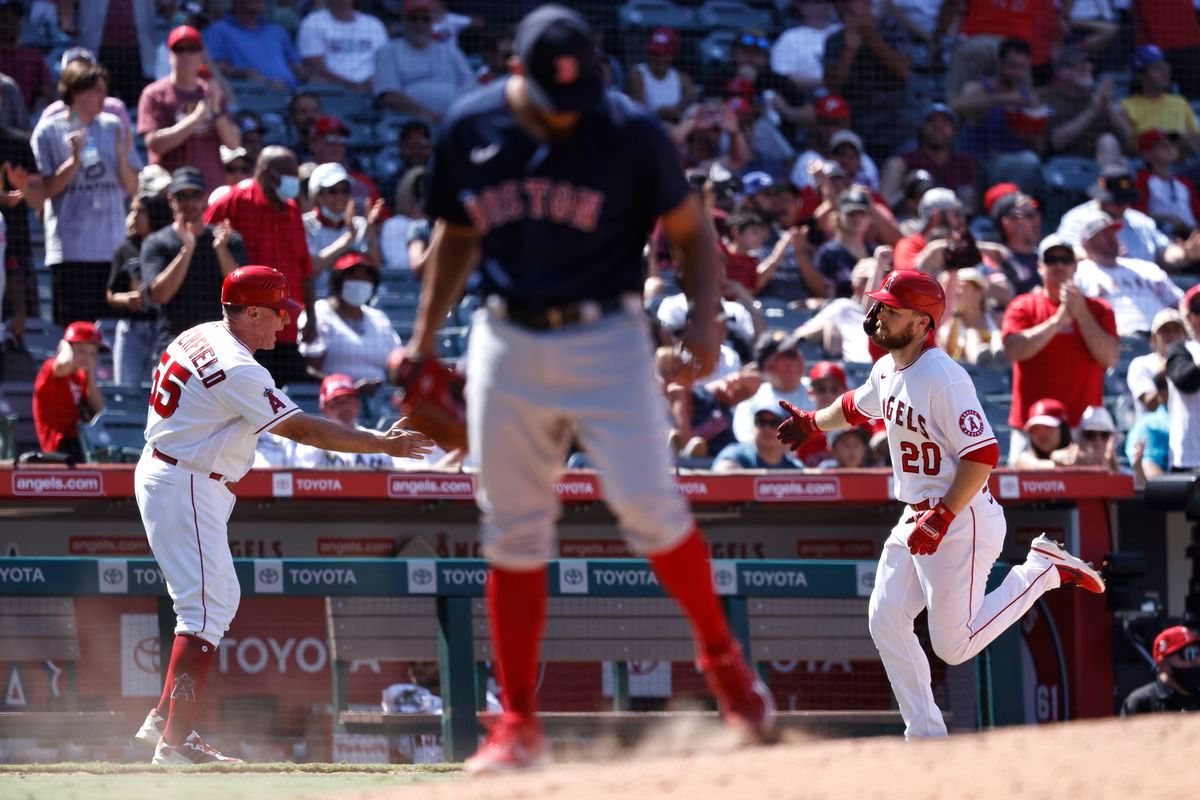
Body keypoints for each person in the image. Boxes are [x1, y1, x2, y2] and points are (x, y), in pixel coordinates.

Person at [405, 5, 778, 772]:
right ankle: (517, 724)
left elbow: (692, 230)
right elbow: (456, 235)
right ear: (519, 74)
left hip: (609, 336)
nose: (569, 113)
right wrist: (419, 338)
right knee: (513, 528)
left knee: (651, 509)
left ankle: (728, 671)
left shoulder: (629, 129)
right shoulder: (471, 127)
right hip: (507, 336)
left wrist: (706, 318)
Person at [774, 268, 1105, 740]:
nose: (880, 314)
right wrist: (813, 422)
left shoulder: (943, 376)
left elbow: (984, 455)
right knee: (885, 617)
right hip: (919, 514)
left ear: (922, 321)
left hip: (960, 515)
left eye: (893, 308)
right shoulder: (887, 367)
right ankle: (926, 734)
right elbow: (854, 406)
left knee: (953, 645)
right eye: (880, 305)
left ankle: (1041, 572)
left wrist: (945, 515)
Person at [131, 265, 432, 765]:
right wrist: (382, 442)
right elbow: (307, 432)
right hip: (185, 480)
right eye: (276, 314)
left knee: (218, 601)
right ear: (249, 312)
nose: (283, 325)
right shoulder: (238, 366)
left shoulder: (202, 333)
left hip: (181, 474)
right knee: (204, 612)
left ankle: (166, 719)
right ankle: (176, 742)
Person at [32, 59, 140, 326]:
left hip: (113, 250)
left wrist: (122, 156)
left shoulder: (114, 125)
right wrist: (74, 161)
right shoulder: (48, 130)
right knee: (74, 332)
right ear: (77, 92)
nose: (104, 97)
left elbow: (134, 187)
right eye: (97, 91)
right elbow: (42, 193)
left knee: (113, 332)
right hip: (71, 252)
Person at [1000, 234, 1119, 464]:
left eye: (1065, 259)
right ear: (1040, 266)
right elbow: (1013, 351)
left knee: (1085, 497)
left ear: (1075, 266)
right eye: (1051, 259)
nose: (1059, 265)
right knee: (1025, 496)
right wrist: (1057, 321)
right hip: (1033, 428)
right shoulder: (1023, 305)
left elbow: (1109, 357)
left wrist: (1081, 314)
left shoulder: (1099, 309)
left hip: (1082, 430)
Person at [204, 146, 314, 385]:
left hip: (284, 328)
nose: (293, 181)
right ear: (265, 174)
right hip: (247, 329)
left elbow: (305, 267)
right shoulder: (235, 200)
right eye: (287, 174)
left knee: (288, 394)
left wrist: (312, 318)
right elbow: (204, 246)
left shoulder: (293, 210)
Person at [138, 25, 241, 195]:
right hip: (169, 192)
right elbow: (155, 145)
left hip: (209, 189)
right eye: (180, 49)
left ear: (201, 55)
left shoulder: (212, 92)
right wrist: (195, 119)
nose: (186, 55)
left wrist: (216, 111)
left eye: (192, 49)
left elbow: (233, 143)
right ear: (170, 55)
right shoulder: (154, 94)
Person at [950, 38, 1045, 191]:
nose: (1017, 73)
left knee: (1032, 163)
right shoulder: (977, 89)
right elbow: (955, 106)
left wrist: (1033, 129)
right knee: (1029, 162)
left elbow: (1038, 147)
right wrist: (1003, 99)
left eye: (1022, 68)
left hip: (1015, 162)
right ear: (1000, 63)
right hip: (981, 161)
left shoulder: (1029, 100)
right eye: (1012, 66)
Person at [298, 252, 400, 394]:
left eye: (366, 278)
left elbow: (395, 366)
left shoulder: (379, 317)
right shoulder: (319, 312)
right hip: (332, 402)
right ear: (338, 280)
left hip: (380, 402)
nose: (360, 282)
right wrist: (347, 388)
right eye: (353, 276)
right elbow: (308, 368)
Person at [822, 0, 910, 159]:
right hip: (854, 124)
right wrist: (850, 49)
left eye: (852, 2)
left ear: (867, 3)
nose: (846, 7)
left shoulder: (892, 29)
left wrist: (869, 36)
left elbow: (903, 70)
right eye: (840, 4)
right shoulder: (834, 40)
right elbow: (832, 87)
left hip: (893, 122)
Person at [1074, 210, 1184, 337]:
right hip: (1117, 342)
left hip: (1161, 337)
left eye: (1112, 232)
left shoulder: (1146, 268)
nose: (1112, 237)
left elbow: (1180, 303)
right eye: (1104, 234)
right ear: (1087, 243)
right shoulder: (1079, 274)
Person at [1057, 168, 1190, 268]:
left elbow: (1164, 251)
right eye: (1117, 202)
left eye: (1126, 201)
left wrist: (1185, 254)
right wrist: (1100, 255)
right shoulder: (1076, 218)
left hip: (1142, 287)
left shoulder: (1141, 221)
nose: (1122, 206)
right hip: (1096, 287)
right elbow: (1063, 253)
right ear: (1101, 198)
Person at [107, 191, 172, 385]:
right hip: (131, 328)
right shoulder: (125, 249)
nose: (134, 216)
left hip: (161, 328)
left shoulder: (168, 247)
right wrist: (126, 299)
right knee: (125, 390)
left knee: (158, 390)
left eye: (141, 211)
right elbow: (111, 294)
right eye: (132, 210)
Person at [373, 0, 474, 124]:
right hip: (409, 125)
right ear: (403, 21)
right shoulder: (388, 51)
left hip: (452, 123)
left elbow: (471, 88)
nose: (420, 24)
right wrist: (429, 116)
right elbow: (389, 95)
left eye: (425, 19)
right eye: (414, 19)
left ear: (432, 22)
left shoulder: (450, 51)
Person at [879, 103, 977, 214]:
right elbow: (885, 206)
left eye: (944, 123)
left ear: (954, 130)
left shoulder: (963, 164)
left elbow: (969, 207)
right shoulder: (904, 162)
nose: (938, 127)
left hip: (953, 222)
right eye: (931, 122)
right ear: (921, 128)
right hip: (911, 222)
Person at [303, 161, 383, 297]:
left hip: (354, 302)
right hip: (316, 301)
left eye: (345, 191)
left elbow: (376, 268)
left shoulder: (362, 224)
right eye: (333, 191)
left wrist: (370, 235)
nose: (340, 197)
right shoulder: (304, 224)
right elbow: (311, 269)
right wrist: (348, 239)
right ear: (318, 195)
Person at [1038, 47, 1131, 161]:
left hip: (1102, 163)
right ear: (1062, 72)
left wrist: (1107, 105)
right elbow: (1056, 142)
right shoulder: (1047, 98)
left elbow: (1128, 138)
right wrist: (1093, 110)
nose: (1087, 67)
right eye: (1080, 65)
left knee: (1107, 141)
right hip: (1067, 166)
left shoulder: (1102, 97)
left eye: (1089, 64)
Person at [32, 321, 106, 462]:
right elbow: (65, 364)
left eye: (92, 353)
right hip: (57, 447)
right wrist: (65, 345)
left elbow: (99, 409)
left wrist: (90, 373)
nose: (87, 357)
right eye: (81, 350)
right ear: (68, 349)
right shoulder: (50, 368)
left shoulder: (82, 376)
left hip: (78, 443)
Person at [204, 0, 307, 91]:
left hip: (294, 95)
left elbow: (296, 66)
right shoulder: (218, 30)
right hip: (252, 97)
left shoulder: (277, 31)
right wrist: (247, 74)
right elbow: (215, 68)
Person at [732, 331, 814, 444]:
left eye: (798, 350)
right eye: (790, 354)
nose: (799, 356)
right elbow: (746, 441)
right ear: (768, 365)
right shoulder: (752, 399)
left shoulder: (822, 389)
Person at [1120, 45, 1200, 155]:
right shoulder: (1126, 106)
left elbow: (1196, 140)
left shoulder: (1180, 102)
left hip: (1185, 164)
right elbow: (1133, 146)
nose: (1165, 72)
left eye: (1166, 65)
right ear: (1140, 75)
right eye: (1156, 68)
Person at [789, 95, 880, 191]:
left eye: (836, 123)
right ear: (816, 125)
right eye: (825, 123)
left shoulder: (864, 162)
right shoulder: (808, 162)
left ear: (847, 124)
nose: (830, 130)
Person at [297, 0, 387, 93]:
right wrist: (351, 85)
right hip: (331, 87)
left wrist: (369, 84)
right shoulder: (313, 22)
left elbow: (384, 62)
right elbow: (314, 65)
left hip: (370, 87)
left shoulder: (373, 24)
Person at [1134, 129, 1200, 238]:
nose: (1170, 148)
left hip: (1192, 237)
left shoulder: (1184, 182)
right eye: (1163, 146)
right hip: (1160, 238)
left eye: (1172, 145)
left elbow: (1197, 212)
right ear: (1146, 154)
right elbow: (1136, 215)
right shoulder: (1141, 180)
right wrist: (1166, 219)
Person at [1120, 626, 1200, 715]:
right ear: (1163, 664)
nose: (1198, 660)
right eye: (1190, 653)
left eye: (1199, 652)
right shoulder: (1140, 703)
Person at [714, 396, 804, 471]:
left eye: (775, 423)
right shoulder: (736, 455)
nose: (767, 428)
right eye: (761, 422)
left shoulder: (795, 469)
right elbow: (722, 472)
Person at [1128, 308, 1189, 419]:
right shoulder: (1141, 364)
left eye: (1176, 329)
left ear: (1185, 335)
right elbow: (1150, 404)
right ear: (1154, 338)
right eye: (1165, 330)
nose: (1171, 335)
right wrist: (1168, 368)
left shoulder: (1193, 360)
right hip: (1155, 433)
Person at [1164, 286, 1200, 472]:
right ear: (1188, 316)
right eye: (1198, 308)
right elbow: (1185, 382)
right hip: (1188, 459)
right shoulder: (1180, 350)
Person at [771, 0, 842, 91]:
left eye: (828, 1)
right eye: (818, 2)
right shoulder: (789, 38)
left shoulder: (842, 31)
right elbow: (782, 76)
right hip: (806, 98)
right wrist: (826, 82)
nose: (825, 5)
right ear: (802, 6)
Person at [627, 28, 694, 123]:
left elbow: (690, 100)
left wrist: (676, 110)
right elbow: (640, 113)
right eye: (654, 53)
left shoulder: (682, 79)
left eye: (664, 54)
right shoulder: (637, 75)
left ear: (673, 55)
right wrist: (660, 113)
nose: (658, 58)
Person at [937, 268, 1000, 365]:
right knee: (972, 334)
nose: (958, 292)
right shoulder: (948, 327)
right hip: (971, 377)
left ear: (979, 292)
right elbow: (949, 351)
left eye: (963, 287)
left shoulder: (997, 320)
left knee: (997, 335)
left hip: (1000, 376)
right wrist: (957, 313)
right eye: (956, 287)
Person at [988, 187, 1042, 295]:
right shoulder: (997, 260)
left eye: (1036, 213)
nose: (1037, 219)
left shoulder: (1046, 257)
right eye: (1029, 215)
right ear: (1008, 223)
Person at [1013, 397, 1073, 469]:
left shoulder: (1081, 455)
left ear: (1063, 429)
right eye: (1035, 428)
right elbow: (1030, 465)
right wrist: (1056, 461)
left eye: (1048, 426)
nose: (1041, 433)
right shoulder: (1025, 459)